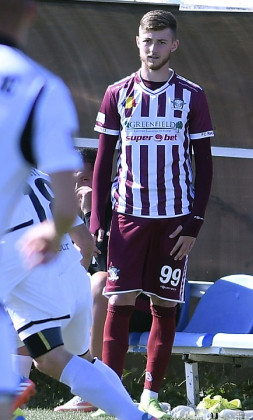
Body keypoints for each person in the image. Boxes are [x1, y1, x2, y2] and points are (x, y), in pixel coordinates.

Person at [91, 9, 214, 419]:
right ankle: (112, 395)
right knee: (118, 301)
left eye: (162, 41)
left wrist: (194, 222)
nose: (154, 48)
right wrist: (98, 219)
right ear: (137, 42)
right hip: (128, 217)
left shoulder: (191, 95)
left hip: (175, 220)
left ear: (174, 45)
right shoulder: (117, 93)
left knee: (164, 304)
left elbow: (205, 163)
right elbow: (104, 160)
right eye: (147, 40)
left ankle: (150, 393)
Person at [3, 170, 160, 420]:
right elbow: (86, 242)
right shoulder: (39, 176)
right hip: (73, 277)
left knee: (48, 359)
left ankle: (135, 417)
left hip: (35, 283)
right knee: (82, 360)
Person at [0, 0, 85, 419]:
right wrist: (54, 231)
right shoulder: (40, 86)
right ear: (32, 10)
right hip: (23, 253)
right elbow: (68, 203)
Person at [54, 148, 153, 413]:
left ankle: (94, 388)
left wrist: (89, 216)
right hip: (94, 304)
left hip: (139, 302)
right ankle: (17, 386)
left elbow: (111, 270)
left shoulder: (120, 207)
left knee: (99, 281)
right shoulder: (57, 214)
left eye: (80, 180)